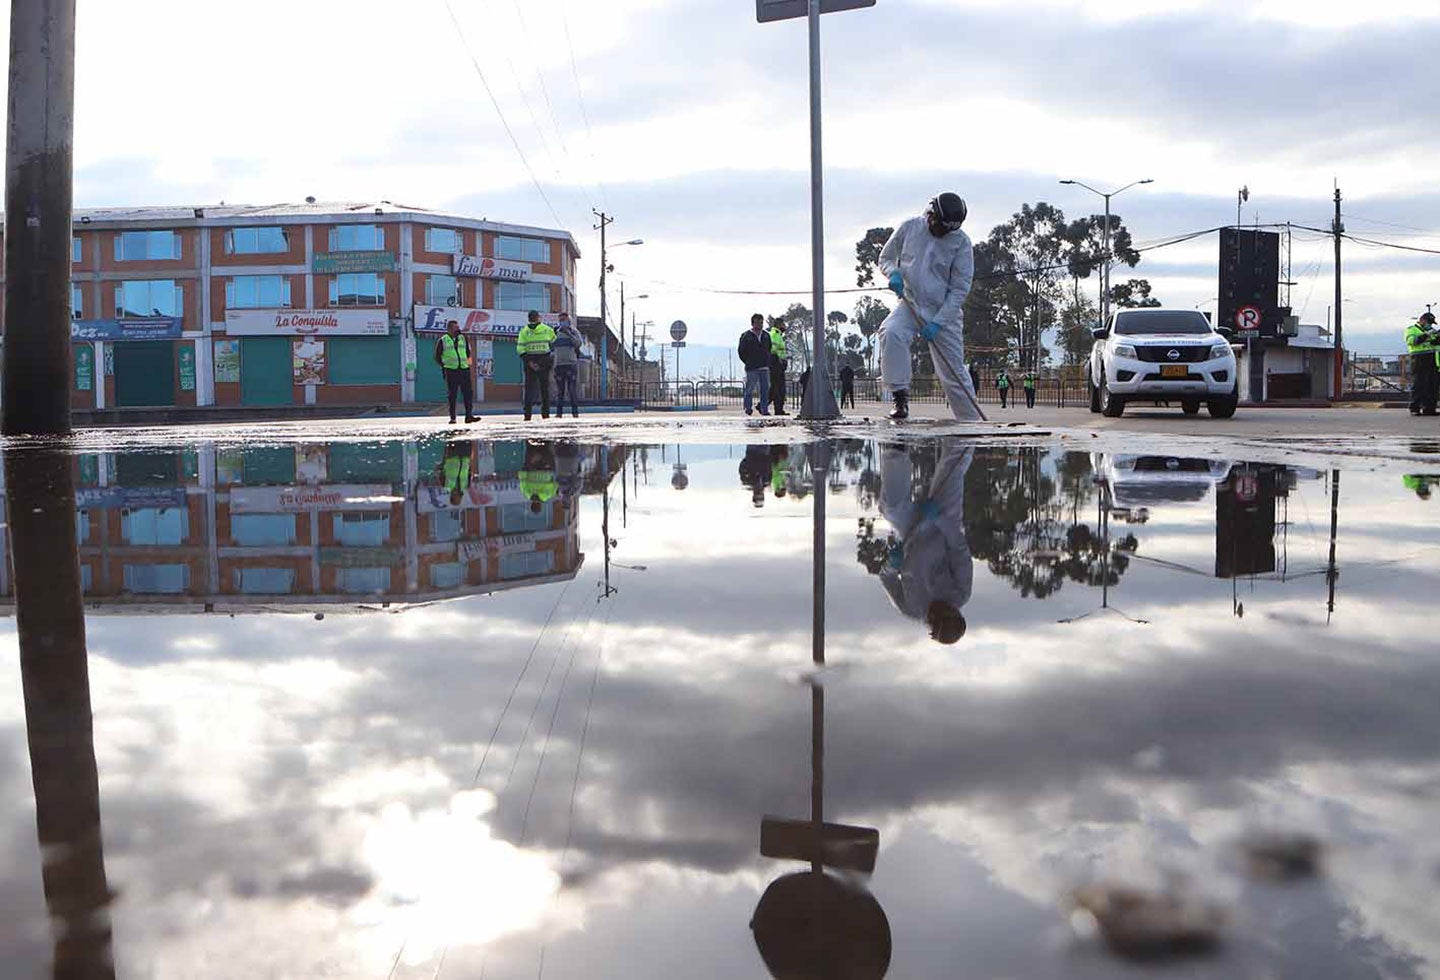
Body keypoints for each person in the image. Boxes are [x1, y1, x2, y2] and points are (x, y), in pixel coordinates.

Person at [876, 192, 981, 421]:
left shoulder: (961, 243)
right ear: (931, 214)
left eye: (949, 230)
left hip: (943, 311)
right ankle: (900, 398)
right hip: (910, 302)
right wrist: (893, 273)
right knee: (891, 332)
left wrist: (938, 322)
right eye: (941, 226)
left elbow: (959, 289)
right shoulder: (910, 227)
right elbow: (885, 257)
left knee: (953, 371)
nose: (943, 233)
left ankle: (971, 419)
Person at [877, 439, 974, 644]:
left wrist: (892, 566)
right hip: (942, 524)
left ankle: (896, 447)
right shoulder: (961, 592)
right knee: (955, 464)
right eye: (947, 611)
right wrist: (938, 518)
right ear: (955, 612)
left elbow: (887, 579)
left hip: (911, 530)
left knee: (891, 509)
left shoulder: (911, 609)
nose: (934, 613)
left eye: (932, 620)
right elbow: (959, 548)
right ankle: (965, 429)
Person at [434, 319, 478, 424]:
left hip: (464, 370)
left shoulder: (463, 338)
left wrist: (468, 365)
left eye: (458, 327)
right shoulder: (443, 340)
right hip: (451, 371)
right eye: (455, 328)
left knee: (468, 393)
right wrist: (445, 366)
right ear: (449, 329)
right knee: (452, 395)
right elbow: (437, 356)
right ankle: (453, 417)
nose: (458, 329)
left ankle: (469, 416)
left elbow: (468, 353)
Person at [517, 310, 556, 421]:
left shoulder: (524, 332)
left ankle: (527, 414)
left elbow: (520, 349)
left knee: (529, 389)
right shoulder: (547, 329)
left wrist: (530, 362)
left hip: (530, 362)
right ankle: (545, 413)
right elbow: (554, 342)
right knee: (544, 389)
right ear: (538, 318)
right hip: (544, 361)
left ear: (529, 319)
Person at [1405, 311, 1439, 416]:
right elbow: (1412, 341)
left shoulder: (1431, 331)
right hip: (1419, 359)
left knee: (1432, 385)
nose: (1430, 325)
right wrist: (1426, 335)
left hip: (1432, 359)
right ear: (1422, 320)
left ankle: (1429, 408)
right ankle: (1415, 408)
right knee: (1419, 384)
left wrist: (1437, 336)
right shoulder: (1411, 329)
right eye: (1429, 322)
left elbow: (1435, 342)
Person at [551, 311, 584, 419]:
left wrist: (569, 334)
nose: (562, 322)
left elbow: (578, 344)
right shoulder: (555, 332)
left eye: (564, 320)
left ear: (569, 321)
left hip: (571, 364)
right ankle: (559, 414)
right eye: (560, 320)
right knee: (560, 391)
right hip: (559, 365)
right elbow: (550, 344)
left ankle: (575, 413)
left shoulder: (574, 332)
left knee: (572, 390)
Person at [739, 314, 772, 417]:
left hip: (764, 366)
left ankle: (764, 409)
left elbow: (769, 349)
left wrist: (767, 360)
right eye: (757, 322)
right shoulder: (746, 336)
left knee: (765, 389)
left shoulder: (766, 335)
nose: (760, 325)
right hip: (752, 367)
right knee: (750, 389)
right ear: (753, 323)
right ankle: (748, 408)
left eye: (761, 322)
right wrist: (748, 361)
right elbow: (741, 351)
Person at [518, 440, 558, 514]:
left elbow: (555, 483)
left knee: (546, 444)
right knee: (530, 444)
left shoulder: (548, 495)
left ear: (540, 506)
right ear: (531, 504)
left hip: (545, 465)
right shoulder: (526, 492)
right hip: (532, 464)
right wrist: (527, 464)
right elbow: (522, 477)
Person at [440, 439, 473, 507]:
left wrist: (446, 452)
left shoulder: (445, 485)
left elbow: (441, 469)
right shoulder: (466, 485)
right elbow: (470, 470)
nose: (459, 497)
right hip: (465, 454)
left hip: (452, 454)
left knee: (454, 434)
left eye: (456, 498)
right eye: (459, 499)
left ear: (452, 496)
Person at [768, 317, 790, 415]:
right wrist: (779, 360)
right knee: (778, 388)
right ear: (778, 325)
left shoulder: (778, 335)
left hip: (778, 364)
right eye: (783, 324)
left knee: (776, 388)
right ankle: (777, 409)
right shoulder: (775, 335)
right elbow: (773, 350)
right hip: (776, 364)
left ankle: (778, 409)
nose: (784, 326)